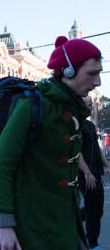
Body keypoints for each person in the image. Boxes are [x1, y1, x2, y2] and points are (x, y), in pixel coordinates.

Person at [0, 36, 103, 249]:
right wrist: (3, 224)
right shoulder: (32, 105)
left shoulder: (72, 109)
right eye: (92, 73)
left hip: (66, 220)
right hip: (34, 226)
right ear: (68, 72)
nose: (98, 82)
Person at [78, 97, 110, 250]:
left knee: (98, 209)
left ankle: (73, 217)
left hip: (96, 172)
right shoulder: (75, 124)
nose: (91, 108)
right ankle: (93, 244)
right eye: (89, 105)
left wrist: (107, 165)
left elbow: (97, 149)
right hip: (86, 173)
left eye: (91, 105)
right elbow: (75, 151)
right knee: (92, 209)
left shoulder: (90, 125)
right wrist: (86, 172)